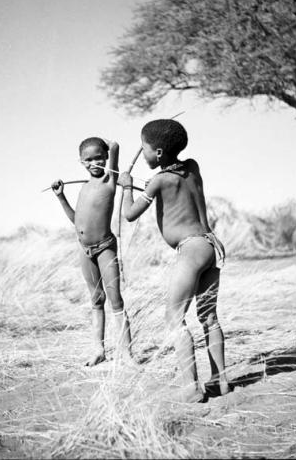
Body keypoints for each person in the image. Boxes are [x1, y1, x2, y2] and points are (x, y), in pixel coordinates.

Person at [120, 119, 229, 402]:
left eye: (144, 148)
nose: (141, 153)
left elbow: (129, 214)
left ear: (157, 153)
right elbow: (176, 180)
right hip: (208, 245)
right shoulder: (192, 167)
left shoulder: (158, 181)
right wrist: (152, 183)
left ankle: (191, 389)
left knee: (174, 318)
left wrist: (127, 187)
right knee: (208, 318)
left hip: (190, 250)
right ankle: (221, 381)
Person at [51, 137, 133, 367]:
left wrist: (110, 145)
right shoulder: (84, 188)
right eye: (88, 160)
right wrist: (60, 196)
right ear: (81, 162)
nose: (94, 163)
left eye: (98, 157)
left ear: (105, 157)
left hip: (105, 247)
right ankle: (98, 350)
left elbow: (115, 146)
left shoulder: (110, 181)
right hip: (84, 249)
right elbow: (75, 220)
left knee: (115, 300)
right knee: (96, 300)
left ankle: (126, 353)